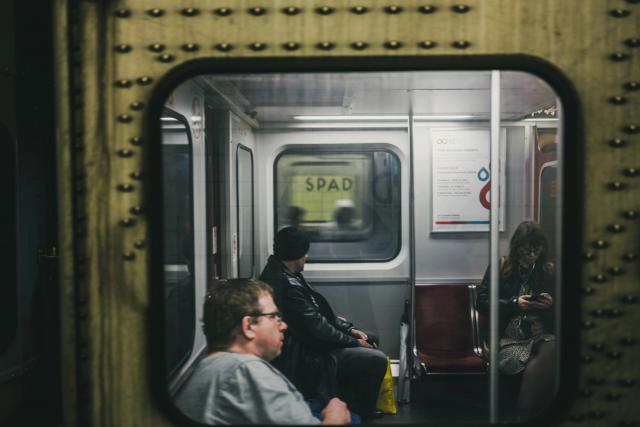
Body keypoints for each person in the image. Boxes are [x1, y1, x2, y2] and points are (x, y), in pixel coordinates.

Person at [175, 278, 351, 425]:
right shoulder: (247, 372)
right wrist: (335, 418)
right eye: (274, 317)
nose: (283, 325)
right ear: (249, 326)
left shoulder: (210, 367)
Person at [260, 227, 387, 420]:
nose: (307, 256)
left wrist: (350, 330)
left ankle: (351, 404)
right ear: (296, 254)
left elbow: (316, 313)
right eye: (305, 252)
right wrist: (353, 341)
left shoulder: (288, 274)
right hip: (303, 354)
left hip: (308, 342)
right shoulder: (286, 284)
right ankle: (360, 413)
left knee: (370, 337)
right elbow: (316, 328)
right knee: (375, 359)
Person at [476, 221, 556, 419]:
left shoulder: (547, 270)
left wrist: (551, 304)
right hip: (508, 336)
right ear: (517, 247)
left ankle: (521, 414)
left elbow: (563, 309)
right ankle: (524, 415)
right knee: (534, 362)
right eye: (527, 251)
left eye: (536, 251)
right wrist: (514, 303)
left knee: (554, 347)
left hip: (538, 332)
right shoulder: (501, 267)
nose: (532, 255)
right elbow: (482, 303)